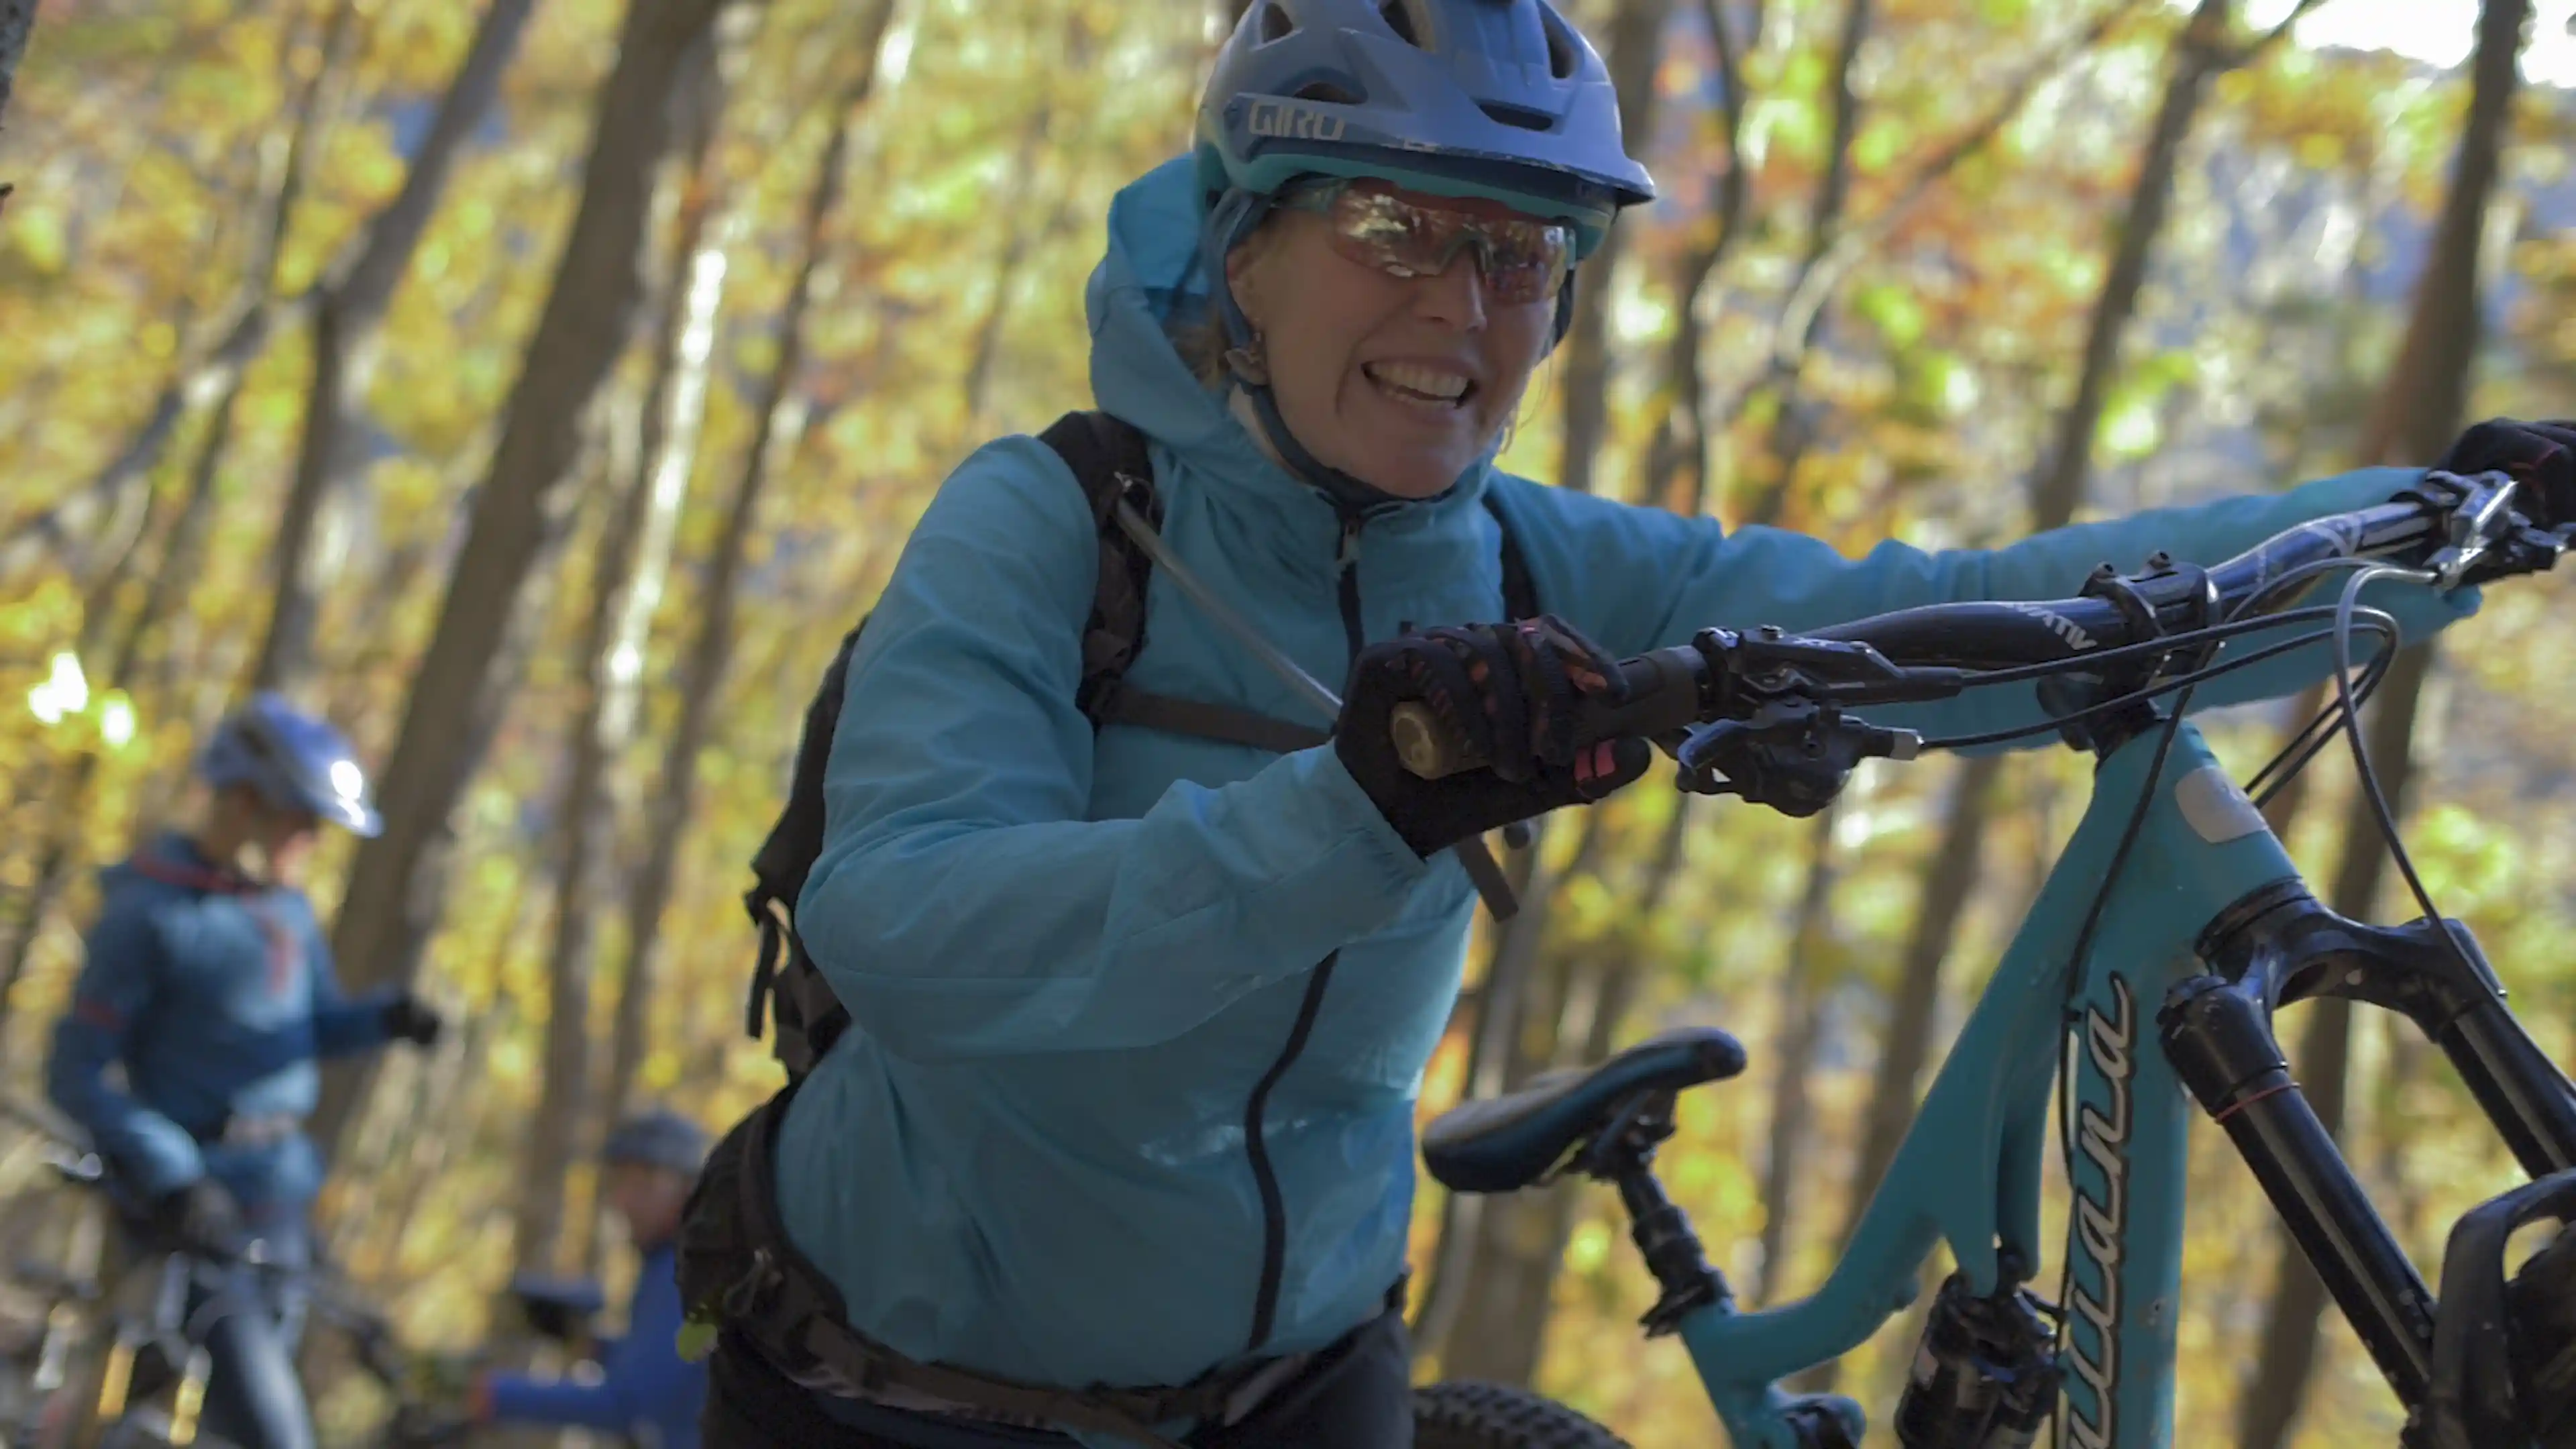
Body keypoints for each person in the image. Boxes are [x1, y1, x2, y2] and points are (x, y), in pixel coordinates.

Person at [696, 1, 2576, 1444]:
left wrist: (2433, 531)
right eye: (1392, 224)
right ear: (1240, 248)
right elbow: (915, 926)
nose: (1468, 307)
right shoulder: (1048, 523)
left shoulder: (1520, 558)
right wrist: (1356, 811)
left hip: (1301, 1382)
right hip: (901, 1382)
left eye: (1523, 256)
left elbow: (1972, 603)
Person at [46, 692, 447, 1449]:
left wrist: (384, 1018)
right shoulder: (147, 913)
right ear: (244, 803)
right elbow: (76, 1074)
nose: (309, 847)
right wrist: (173, 1174)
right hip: (193, 1222)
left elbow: (305, 1029)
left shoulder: (285, 914)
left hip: (280, 1208)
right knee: (276, 1435)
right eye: (301, 826)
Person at [469, 1108, 710, 1449]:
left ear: (687, 1187)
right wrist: (591, 1344)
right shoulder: (670, 1265)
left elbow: (630, 1403)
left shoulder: (686, 1272)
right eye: (620, 1182)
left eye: (642, 1184)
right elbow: (663, 1379)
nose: (623, 1200)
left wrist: (494, 1395)